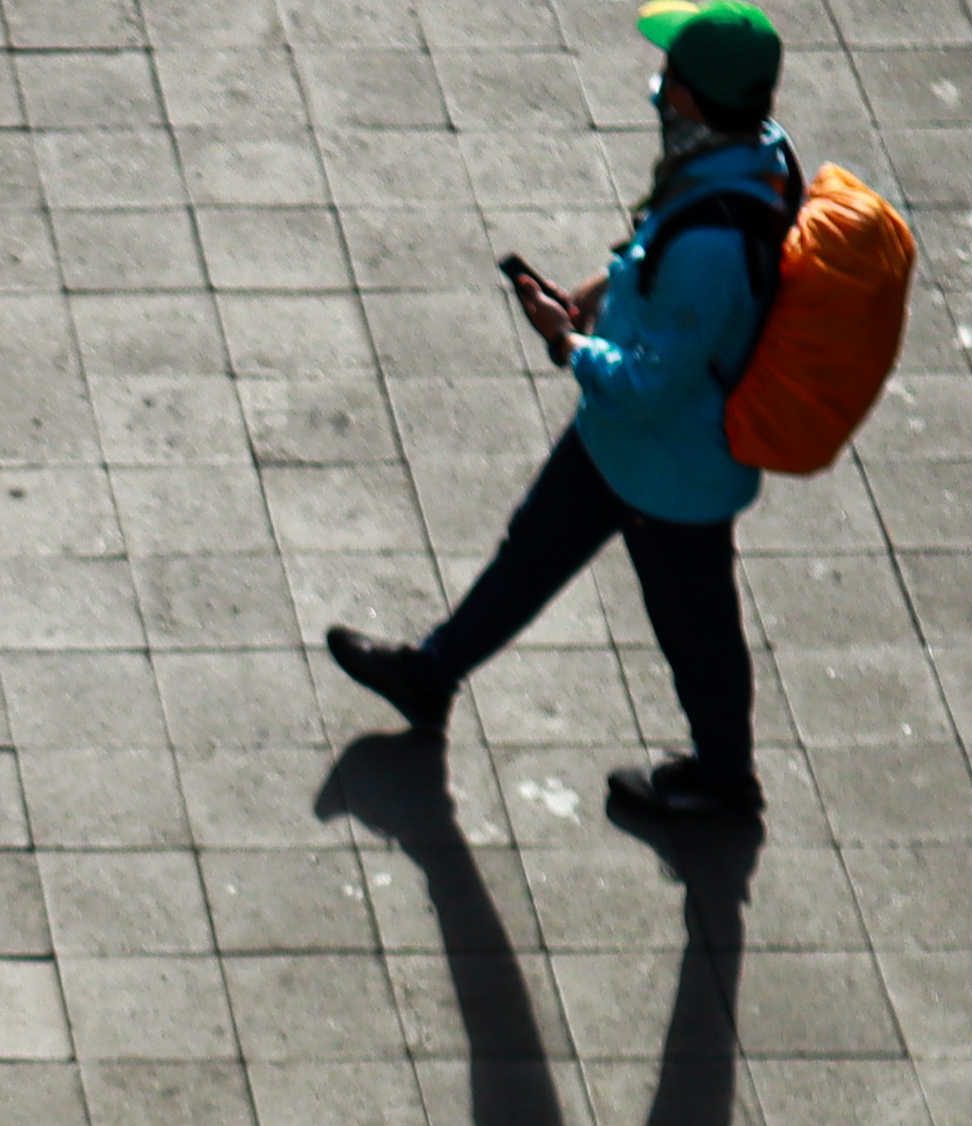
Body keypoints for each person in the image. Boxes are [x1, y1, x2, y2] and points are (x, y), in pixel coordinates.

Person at [324, 0, 801, 823]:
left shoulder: (714, 242)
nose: (658, 88)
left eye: (670, 79)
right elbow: (655, 255)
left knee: (696, 630)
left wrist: (565, 344)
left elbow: (652, 382)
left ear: (691, 101)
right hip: (622, 449)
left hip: (670, 476)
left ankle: (726, 783)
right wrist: (595, 292)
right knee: (531, 550)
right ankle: (430, 676)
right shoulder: (752, 157)